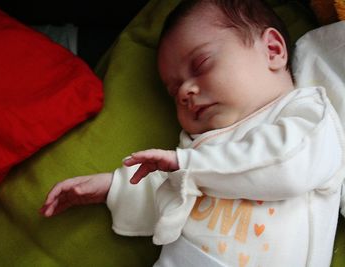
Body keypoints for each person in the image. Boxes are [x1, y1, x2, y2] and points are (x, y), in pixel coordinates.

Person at [40, 0, 345, 266]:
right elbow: (169, 190)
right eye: (174, 92)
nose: (185, 91)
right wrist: (112, 187)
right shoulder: (199, 147)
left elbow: (288, 167)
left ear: (272, 50)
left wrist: (189, 164)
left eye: (201, 65)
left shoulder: (307, 114)